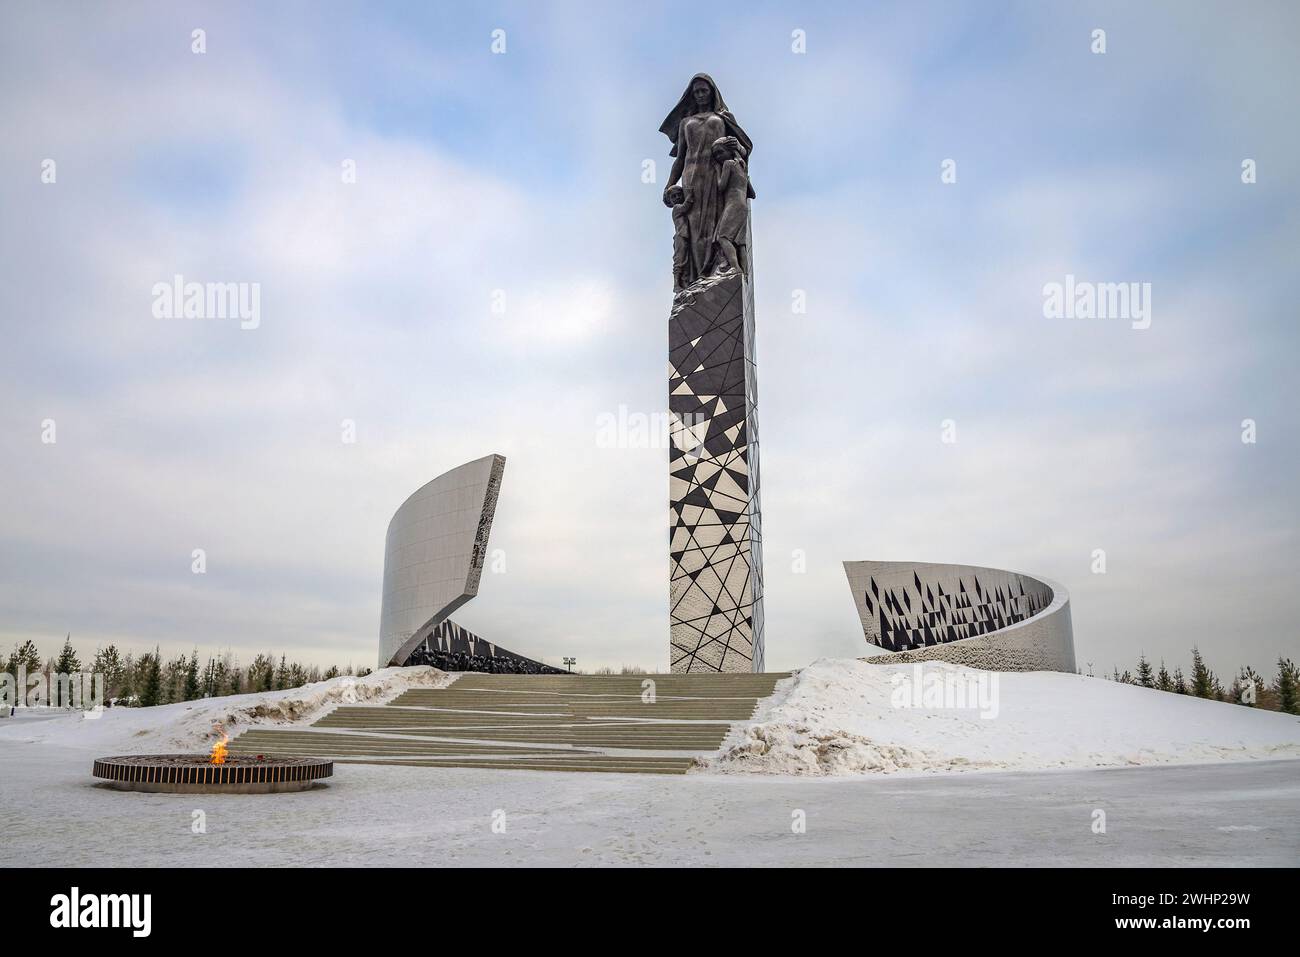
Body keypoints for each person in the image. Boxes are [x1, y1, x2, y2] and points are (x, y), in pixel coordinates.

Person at [711, 136, 750, 277]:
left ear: (730, 150)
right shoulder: (742, 167)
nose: (717, 157)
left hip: (733, 204)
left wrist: (717, 170)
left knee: (723, 237)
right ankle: (744, 274)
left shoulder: (728, 164)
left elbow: (721, 186)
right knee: (740, 243)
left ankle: (735, 268)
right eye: (715, 155)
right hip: (742, 206)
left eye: (720, 152)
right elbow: (752, 192)